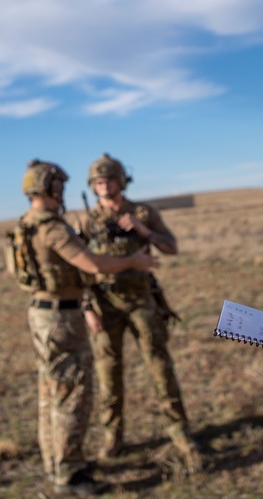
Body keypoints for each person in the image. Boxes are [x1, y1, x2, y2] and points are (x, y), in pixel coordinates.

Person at [15, 158, 156, 496]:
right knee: (71, 393)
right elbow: (94, 264)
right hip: (61, 317)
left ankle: (59, 464)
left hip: (41, 313)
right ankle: (70, 475)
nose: (62, 191)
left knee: (50, 393)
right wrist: (133, 261)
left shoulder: (27, 224)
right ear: (50, 187)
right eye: (59, 185)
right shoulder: (51, 227)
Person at [77, 153, 203, 473]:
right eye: (98, 182)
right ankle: (113, 437)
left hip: (142, 302)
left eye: (109, 180)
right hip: (105, 306)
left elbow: (171, 247)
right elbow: (76, 270)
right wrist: (87, 308)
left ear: (121, 181)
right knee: (109, 374)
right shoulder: (86, 221)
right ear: (92, 186)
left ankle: (180, 432)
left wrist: (144, 231)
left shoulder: (142, 212)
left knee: (160, 367)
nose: (104, 186)